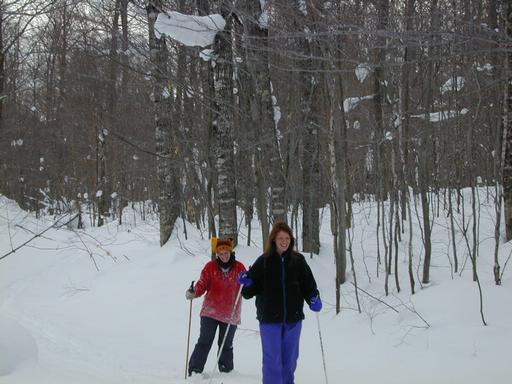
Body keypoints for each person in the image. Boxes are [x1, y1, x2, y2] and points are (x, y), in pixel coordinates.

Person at [239, 221, 321, 384]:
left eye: (287, 238)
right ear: (274, 240)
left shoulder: (298, 261)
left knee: (290, 359)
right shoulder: (263, 261)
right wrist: (247, 283)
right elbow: (248, 291)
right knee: (272, 360)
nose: (284, 242)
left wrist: (314, 299)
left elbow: (309, 285)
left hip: (293, 319)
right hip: (269, 319)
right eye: (281, 238)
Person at [186, 237, 246, 376]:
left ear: (231, 252)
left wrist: (249, 283)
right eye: (221, 253)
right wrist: (194, 292)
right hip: (210, 312)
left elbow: (247, 288)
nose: (224, 255)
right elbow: (202, 284)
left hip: (231, 313)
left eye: (227, 252)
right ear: (217, 253)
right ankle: (195, 370)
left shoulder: (239, 268)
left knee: (226, 344)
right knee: (204, 341)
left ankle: (226, 372)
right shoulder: (210, 267)